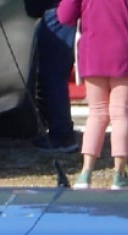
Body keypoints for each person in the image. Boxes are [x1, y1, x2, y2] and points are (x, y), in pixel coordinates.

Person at [56, 0, 128, 189]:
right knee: (121, 114)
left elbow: (64, 17)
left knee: (96, 114)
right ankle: (119, 175)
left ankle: (85, 173)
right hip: (126, 54)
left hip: (92, 53)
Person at [30, 5, 80, 154]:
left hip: (58, 12)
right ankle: (60, 131)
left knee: (53, 76)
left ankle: (62, 135)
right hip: (59, 11)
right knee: (53, 75)